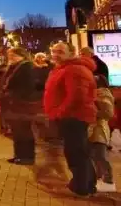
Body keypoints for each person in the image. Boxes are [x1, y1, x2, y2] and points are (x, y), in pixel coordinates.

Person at [44, 42, 97, 197]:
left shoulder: (74, 69)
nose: (55, 54)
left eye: (60, 51)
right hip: (71, 116)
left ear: (71, 52)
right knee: (80, 151)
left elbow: (76, 97)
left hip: (74, 116)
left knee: (75, 152)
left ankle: (80, 187)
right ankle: (87, 184)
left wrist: (58, 112)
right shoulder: (64, 68)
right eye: (53, 51)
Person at [2, 47, 39, 165]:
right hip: (14, 103)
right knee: (16, 130)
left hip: (22, 103)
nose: (10, 57)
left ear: (21, 55)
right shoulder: (14, 66)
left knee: (24, 130)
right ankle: (18, 155)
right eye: (9, 55)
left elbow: (28, 86)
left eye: (13, 55)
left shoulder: (26, 66)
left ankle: (27, 156)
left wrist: (17, 96)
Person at [90, 75, 115, 192]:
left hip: (99, 129)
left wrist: (93, 104)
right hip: (92, 128)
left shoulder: (104, 94)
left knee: (101, 156)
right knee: (94, 156)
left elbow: (108, 113)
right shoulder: (94, 93)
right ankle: (98, 179)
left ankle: (108, 180)